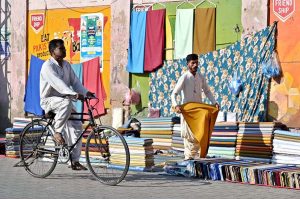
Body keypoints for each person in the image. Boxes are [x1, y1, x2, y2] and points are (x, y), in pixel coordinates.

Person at [40, 39, 94, 170]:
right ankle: (57, 132)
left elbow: (75, 82)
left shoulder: (66, 65)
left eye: (64, 48)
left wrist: (86, 93)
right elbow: (59, 84)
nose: (64, 50)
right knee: (67, 102)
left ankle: (74, 161)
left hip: (64, 101)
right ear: (53, 52)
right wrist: (74, 94)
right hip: (50, 101)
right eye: (61, 48)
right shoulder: (48, 66)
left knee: (76, 125)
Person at [171, 53, 219, 160]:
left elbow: (207, 91)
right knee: (189, 138)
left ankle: (197, 162)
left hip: (199, 112)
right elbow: (174, 93)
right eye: (193, 63)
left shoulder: (201, 77)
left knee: (200, 135)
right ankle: (189, 161)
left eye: (196, 63)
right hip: (188, 113)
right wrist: (176, 105)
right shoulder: (184, 78)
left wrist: (214, 102)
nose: (195, 65)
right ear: (188, 64)